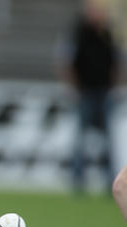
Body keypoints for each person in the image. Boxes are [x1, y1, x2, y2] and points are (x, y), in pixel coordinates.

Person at [60, 0, 120, 193]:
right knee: (80, 139)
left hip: (104, 92)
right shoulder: (79, 33)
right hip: (85, 92)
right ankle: (78, 180)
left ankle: (109, 181)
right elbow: (66, 61)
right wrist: (73, 87)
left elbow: (115, 62)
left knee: (107, 140)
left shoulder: (107, 35)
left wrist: (113, 86)